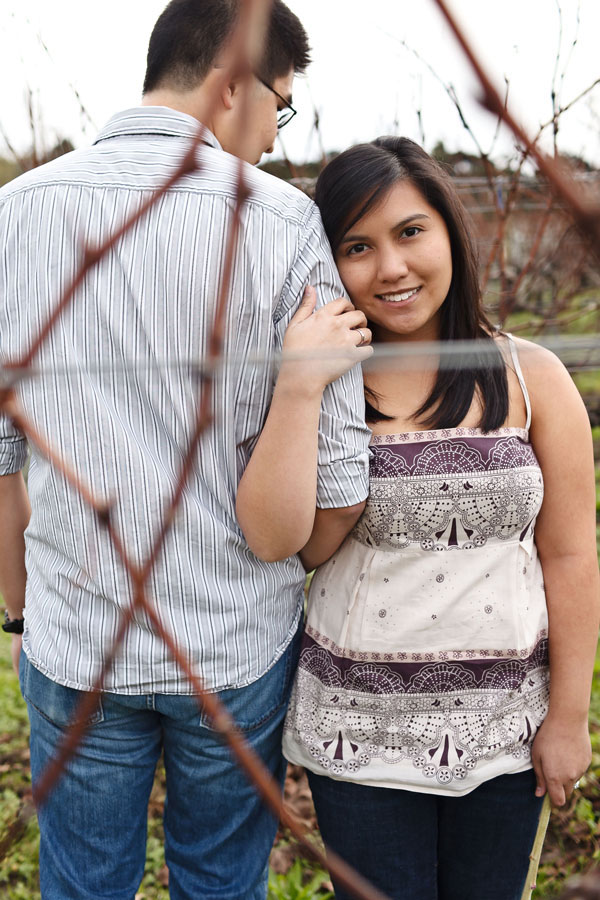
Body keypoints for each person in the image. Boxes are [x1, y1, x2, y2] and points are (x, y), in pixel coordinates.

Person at [0, 2, 373, 898]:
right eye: (279, 107)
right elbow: (338, 476)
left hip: (74, 637)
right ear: (233, 82)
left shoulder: (14, 214)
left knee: (82, 882)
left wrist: (21, 607)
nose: (277, 138)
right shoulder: (284, 225)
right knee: (220, 881)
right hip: (236, 644)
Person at [236, 137, 600, 900]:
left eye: (410, 233)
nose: (391, 268)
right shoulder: (331, 388)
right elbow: (289, 547)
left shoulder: (532, 378)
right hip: (359, 738)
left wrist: (568, 718)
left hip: (506, 733)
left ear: (449, 234)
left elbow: (569, 555)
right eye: (358, 246)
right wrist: (301, 386)